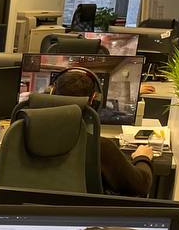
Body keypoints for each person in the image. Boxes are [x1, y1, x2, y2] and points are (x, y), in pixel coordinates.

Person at [49, 67, 155, 197]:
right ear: (93, 100)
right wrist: (142, 157)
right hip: (81, 210)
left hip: (30, 208)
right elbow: (140, 186)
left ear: (51, 95)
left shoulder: (25, 136)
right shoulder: (100, 147)